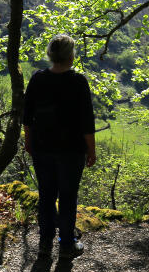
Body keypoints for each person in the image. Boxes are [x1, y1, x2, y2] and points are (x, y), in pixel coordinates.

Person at [22, 34, 96, 258]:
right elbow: (87, 122)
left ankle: (45, 244)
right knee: (67, 196)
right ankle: (66, 244)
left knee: (45, 195)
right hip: (71, 151)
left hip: (42, 147)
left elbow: (27, 116)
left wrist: (28, 142)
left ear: (51, 54)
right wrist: (91, 150)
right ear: (70, 55)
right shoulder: (78, 82)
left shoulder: (38, 79)